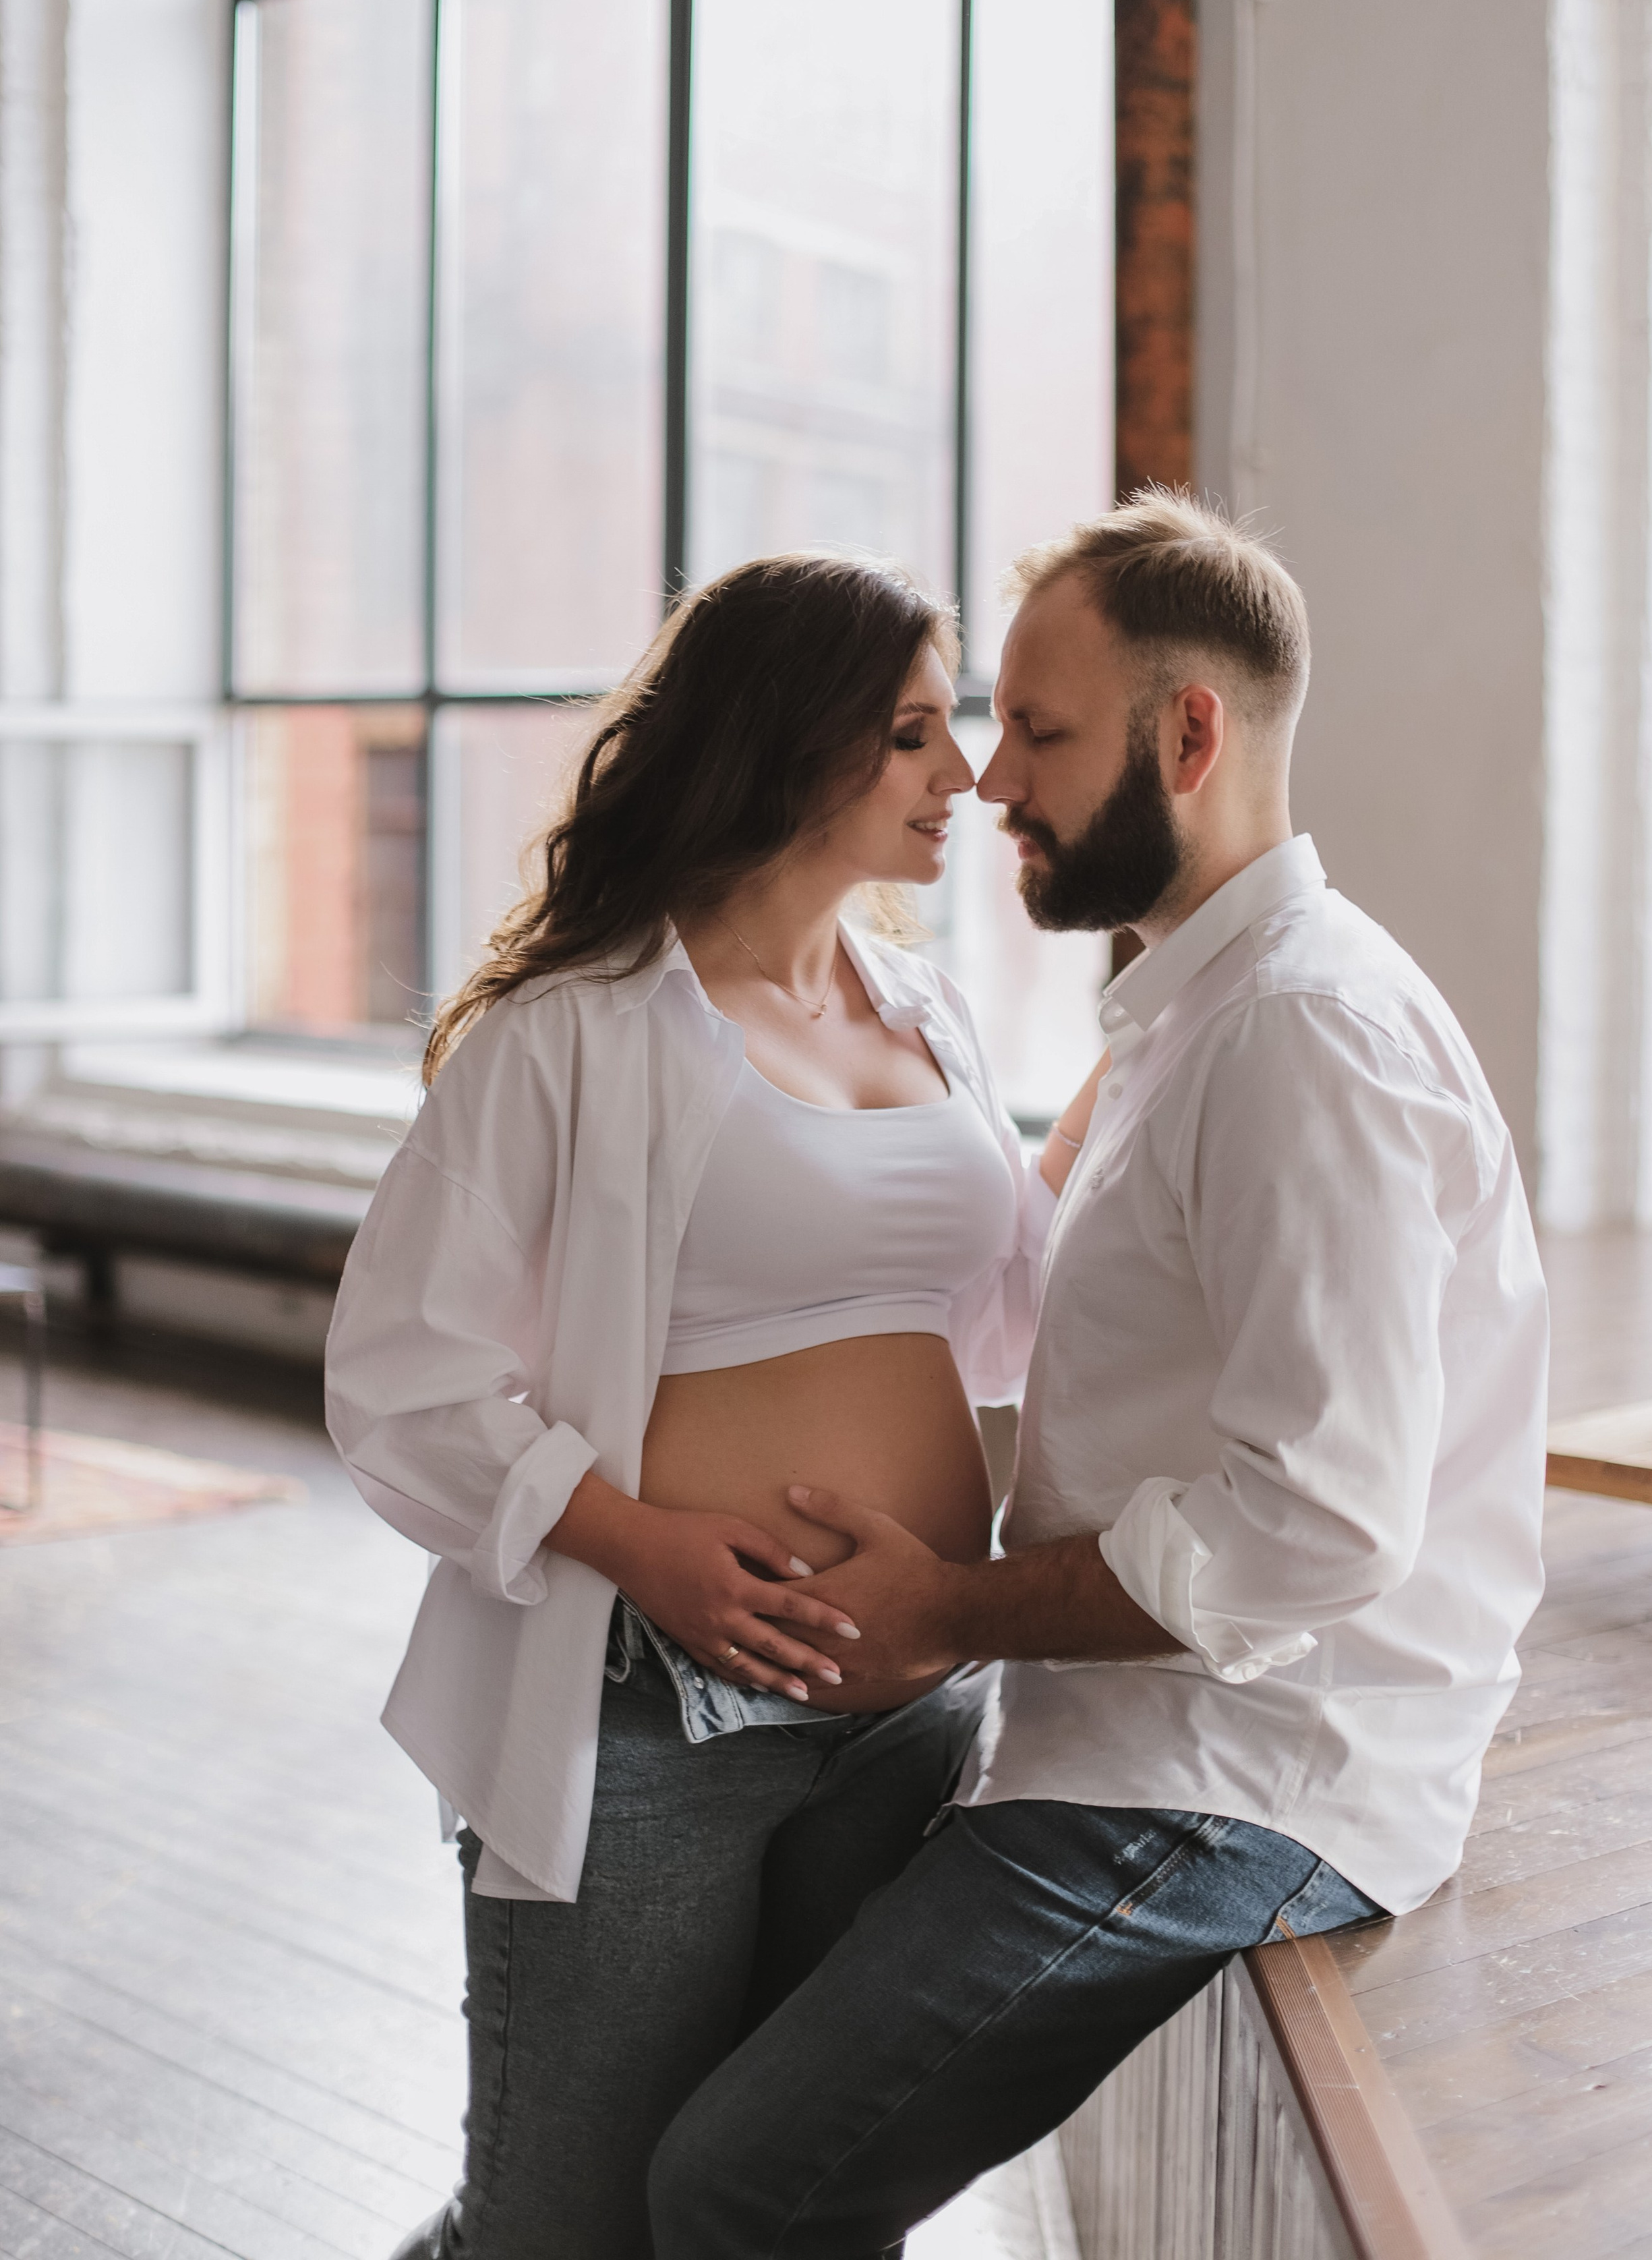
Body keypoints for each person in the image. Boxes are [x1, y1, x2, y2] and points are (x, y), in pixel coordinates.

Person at [647, 491, 1550, 2259]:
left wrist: (951, 1610)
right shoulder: (1193, 1013)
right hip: (1142, 1734)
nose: (988, 783)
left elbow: (1322, 1522)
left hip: (1243, 1775)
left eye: (1040, 731)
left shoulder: (1300, 1036)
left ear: (1190, 732)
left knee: (735, 2182)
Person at [324, 552, 1090, 2260]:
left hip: (903, 1713)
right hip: (648, 1709)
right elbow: (397, 1370)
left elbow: (1011, 1309)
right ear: (787, 741)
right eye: (909, 735)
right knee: (564, 2224)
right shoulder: (570, 1034)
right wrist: (643, 1545)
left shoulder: (930, 1016)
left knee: (790, 2211)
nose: (960, 777)